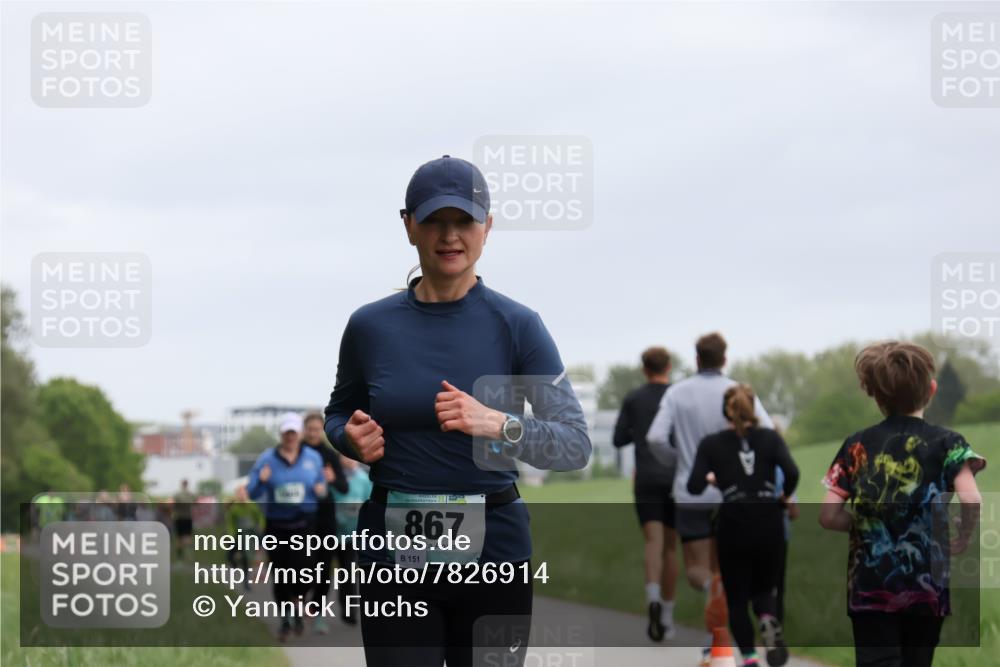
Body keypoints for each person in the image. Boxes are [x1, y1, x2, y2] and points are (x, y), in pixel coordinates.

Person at [323, 155, 591, 667]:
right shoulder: (370, 326)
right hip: (394, 559)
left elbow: (574, 444)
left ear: (487, 227)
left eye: (464, 220)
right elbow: (338, 414)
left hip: (496, 558)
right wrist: (348, 438)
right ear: (408, 226)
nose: (450, 236)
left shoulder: (518, 325)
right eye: (434, 221)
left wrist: (498, 423)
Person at [820, 342, 986, 667]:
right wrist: (963, 535)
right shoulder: (949, 443)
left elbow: (827, 515)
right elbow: (972, 499)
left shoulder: (856, 445)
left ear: (876, 397)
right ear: (931, 390)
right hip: (928, 587)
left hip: (870, 587)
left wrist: (867, 524)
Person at [646, 332, 773, 665]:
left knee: (698, 570)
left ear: (697, 359)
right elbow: (767, 431)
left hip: (691, 493)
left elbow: (655, 438)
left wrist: (680, 462)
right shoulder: (737, 392)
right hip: (733, 493)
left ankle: (711, 627)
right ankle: (712, 640)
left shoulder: (677, 393)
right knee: (723, 569)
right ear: (724, 359)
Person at [688, 384, 797, 667]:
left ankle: (749, 658)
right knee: (765, 590)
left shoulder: (712, 444)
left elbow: (693, 485)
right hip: (769, 520)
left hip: (733, 523)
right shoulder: (770, 438)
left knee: (737, 599)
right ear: (753, 408)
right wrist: (784, 496)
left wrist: (714, 479)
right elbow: (792, 471)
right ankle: (768, 618)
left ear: (726, 411)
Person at [612, 346, 680, 641]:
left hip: (646, 478)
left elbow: (618, 439)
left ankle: (652, 597)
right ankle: (667, 616)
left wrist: (638, 431)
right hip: (675, 476)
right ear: (669, 367)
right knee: (671, 548)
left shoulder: (634, 399)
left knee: (653, 541)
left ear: (644, 369)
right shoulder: (677, 396)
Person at [246, 412, 328, 641]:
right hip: (277, 525)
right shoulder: (266, 459)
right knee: (281, 576)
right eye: (286, 433)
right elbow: (252, 492)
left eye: (293, 432)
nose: (290, 437)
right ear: (281, 434)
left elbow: (321, 486)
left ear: (299, 434)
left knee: (306, 572)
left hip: (304, 524)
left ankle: (297, 603)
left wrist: (321, 489)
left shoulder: (313, 457)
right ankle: (286, 620)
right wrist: (261, 480)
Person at [301, 411, 348, 635]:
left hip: (326, 517)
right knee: (303, 566)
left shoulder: (330, 455)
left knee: (324, 568)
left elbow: (344, 487)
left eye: (316, 429)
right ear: (304, 430)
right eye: (309, 429)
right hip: (301, 517)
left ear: (322, 430)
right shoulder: (296, 453)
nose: (313, 433)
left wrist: (332, 479)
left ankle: (317, 613)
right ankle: (296, 606)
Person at [331, 453, 374, 625]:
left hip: (354, 535)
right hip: (333, 533)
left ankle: (349, 611)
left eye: (349, 456)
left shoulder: (364, 479)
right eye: (343, 457)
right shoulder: (334, 478)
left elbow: (369, 503)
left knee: (348, 573)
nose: (347, 460)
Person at [225, 484, 265, 591]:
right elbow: (230, 523)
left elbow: (260, 518)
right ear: (237, 495)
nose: (242, 495)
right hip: (237, 535)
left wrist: (260, 527)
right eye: (240, 494)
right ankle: (234, 563)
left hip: (250, 535)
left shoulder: (253, 506)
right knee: (230, 555)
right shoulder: (234, 508)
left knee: (246, 557)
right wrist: (231, 535)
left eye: (243, 493)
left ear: (247, 494)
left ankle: (246, 581)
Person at [172, 479, 196, 563]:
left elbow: (173, 504)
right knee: (188, 537)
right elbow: (195, 502)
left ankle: (180, 558)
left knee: (179, 538)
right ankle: (188, 555)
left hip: (179, 517)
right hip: (188, 517)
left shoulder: (177, 494)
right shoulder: (191, 494)